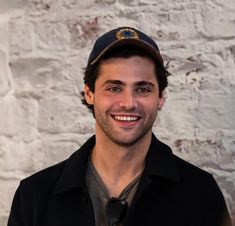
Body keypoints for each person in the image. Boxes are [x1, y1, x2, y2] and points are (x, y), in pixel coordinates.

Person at [8, 27, 232, 226]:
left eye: (143, 89)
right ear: (89, 93)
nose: (128, 103)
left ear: (161, 97)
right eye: (114, 88)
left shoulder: (200, 193)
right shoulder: (34, 196)